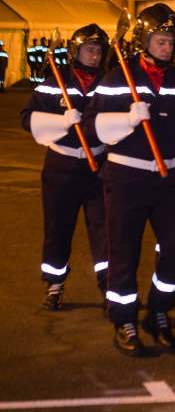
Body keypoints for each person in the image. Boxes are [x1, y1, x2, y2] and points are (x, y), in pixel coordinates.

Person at [82, 4, 175, 356]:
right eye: (160, 41)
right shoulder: (118, 78)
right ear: (144, 41)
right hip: (126, 178)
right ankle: (124, 320)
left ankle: (158, 309)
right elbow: (91, 129)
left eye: (171, 42)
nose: (167, 48)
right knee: (124, 253)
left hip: (168, 178)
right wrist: (127, 119)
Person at [20, 24, 110, 311]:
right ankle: (54, 285)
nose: (94, 56)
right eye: (89, 50)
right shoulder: (53, 83)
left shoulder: (109, 84)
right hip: (61, 167)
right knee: (58, 228)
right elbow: (27, 117)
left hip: (98, 167)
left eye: (99, 51)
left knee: (105, 231)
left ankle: (109, 287)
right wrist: (60, 122)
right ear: (75, 52)